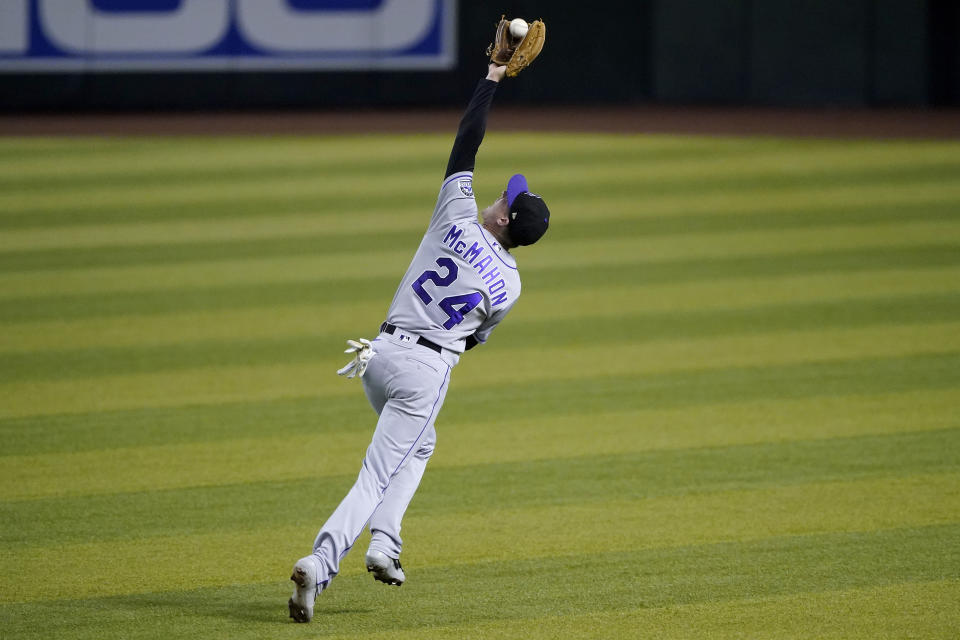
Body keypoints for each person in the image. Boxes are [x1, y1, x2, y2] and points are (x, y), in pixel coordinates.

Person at [288, 62, 550, 623]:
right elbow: (472, 340)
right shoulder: (512, 284)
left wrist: (494, 74)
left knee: (420, 444)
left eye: (507, 196)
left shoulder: (454, 212)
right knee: (378, 472)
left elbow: (467, 137)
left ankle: (385, 542)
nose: (502, 194)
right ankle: (320, 561)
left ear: (504, 215)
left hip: (376, 355)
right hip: (424, 371)